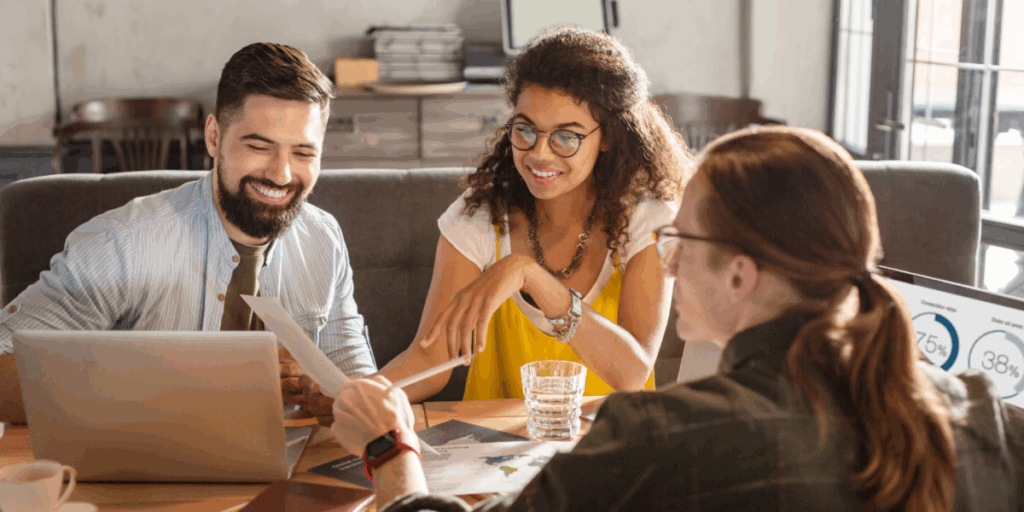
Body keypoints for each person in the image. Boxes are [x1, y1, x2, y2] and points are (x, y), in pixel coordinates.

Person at [329, 126, 1024, 511]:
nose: (664, 263)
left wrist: (391, 453)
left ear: (740, 274)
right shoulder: (988, 417)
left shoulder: (660, 439)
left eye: (681, 243)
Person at [292, 27, 690, 419]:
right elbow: (434, 357)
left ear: (608, 137)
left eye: (566, 137)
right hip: (491, 450)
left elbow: (633, 373)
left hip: (607, 447)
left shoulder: (646, 219)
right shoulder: (481, 215)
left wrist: (527, 274)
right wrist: (361, 394)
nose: (539, 153)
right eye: (525, 130)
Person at [0, 42, 377, 423]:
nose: (281, 174)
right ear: (214, 137)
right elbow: (3, 376)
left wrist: (342, 397)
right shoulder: (124, 242)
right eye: (259, 146)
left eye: (303, 153)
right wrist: (203, 378)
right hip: (147, 470)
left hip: (289, 466)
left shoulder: (323, 238)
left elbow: (352, 369)